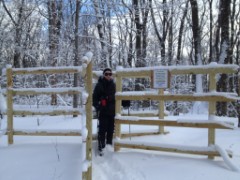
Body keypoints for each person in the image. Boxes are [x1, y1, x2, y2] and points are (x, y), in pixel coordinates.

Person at [93, 68, 116, 156]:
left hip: (112, 111)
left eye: (110, 74)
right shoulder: (99, 85)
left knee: (110, 129)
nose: (108, 76)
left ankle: (109, 146)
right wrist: (99, 105)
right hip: (103, 111)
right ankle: (101, 147)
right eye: (106, 74)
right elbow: (94, 98)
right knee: (102, 129)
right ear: (103, 74)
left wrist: (125, 101)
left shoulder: (113, 85)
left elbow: (117, 96)